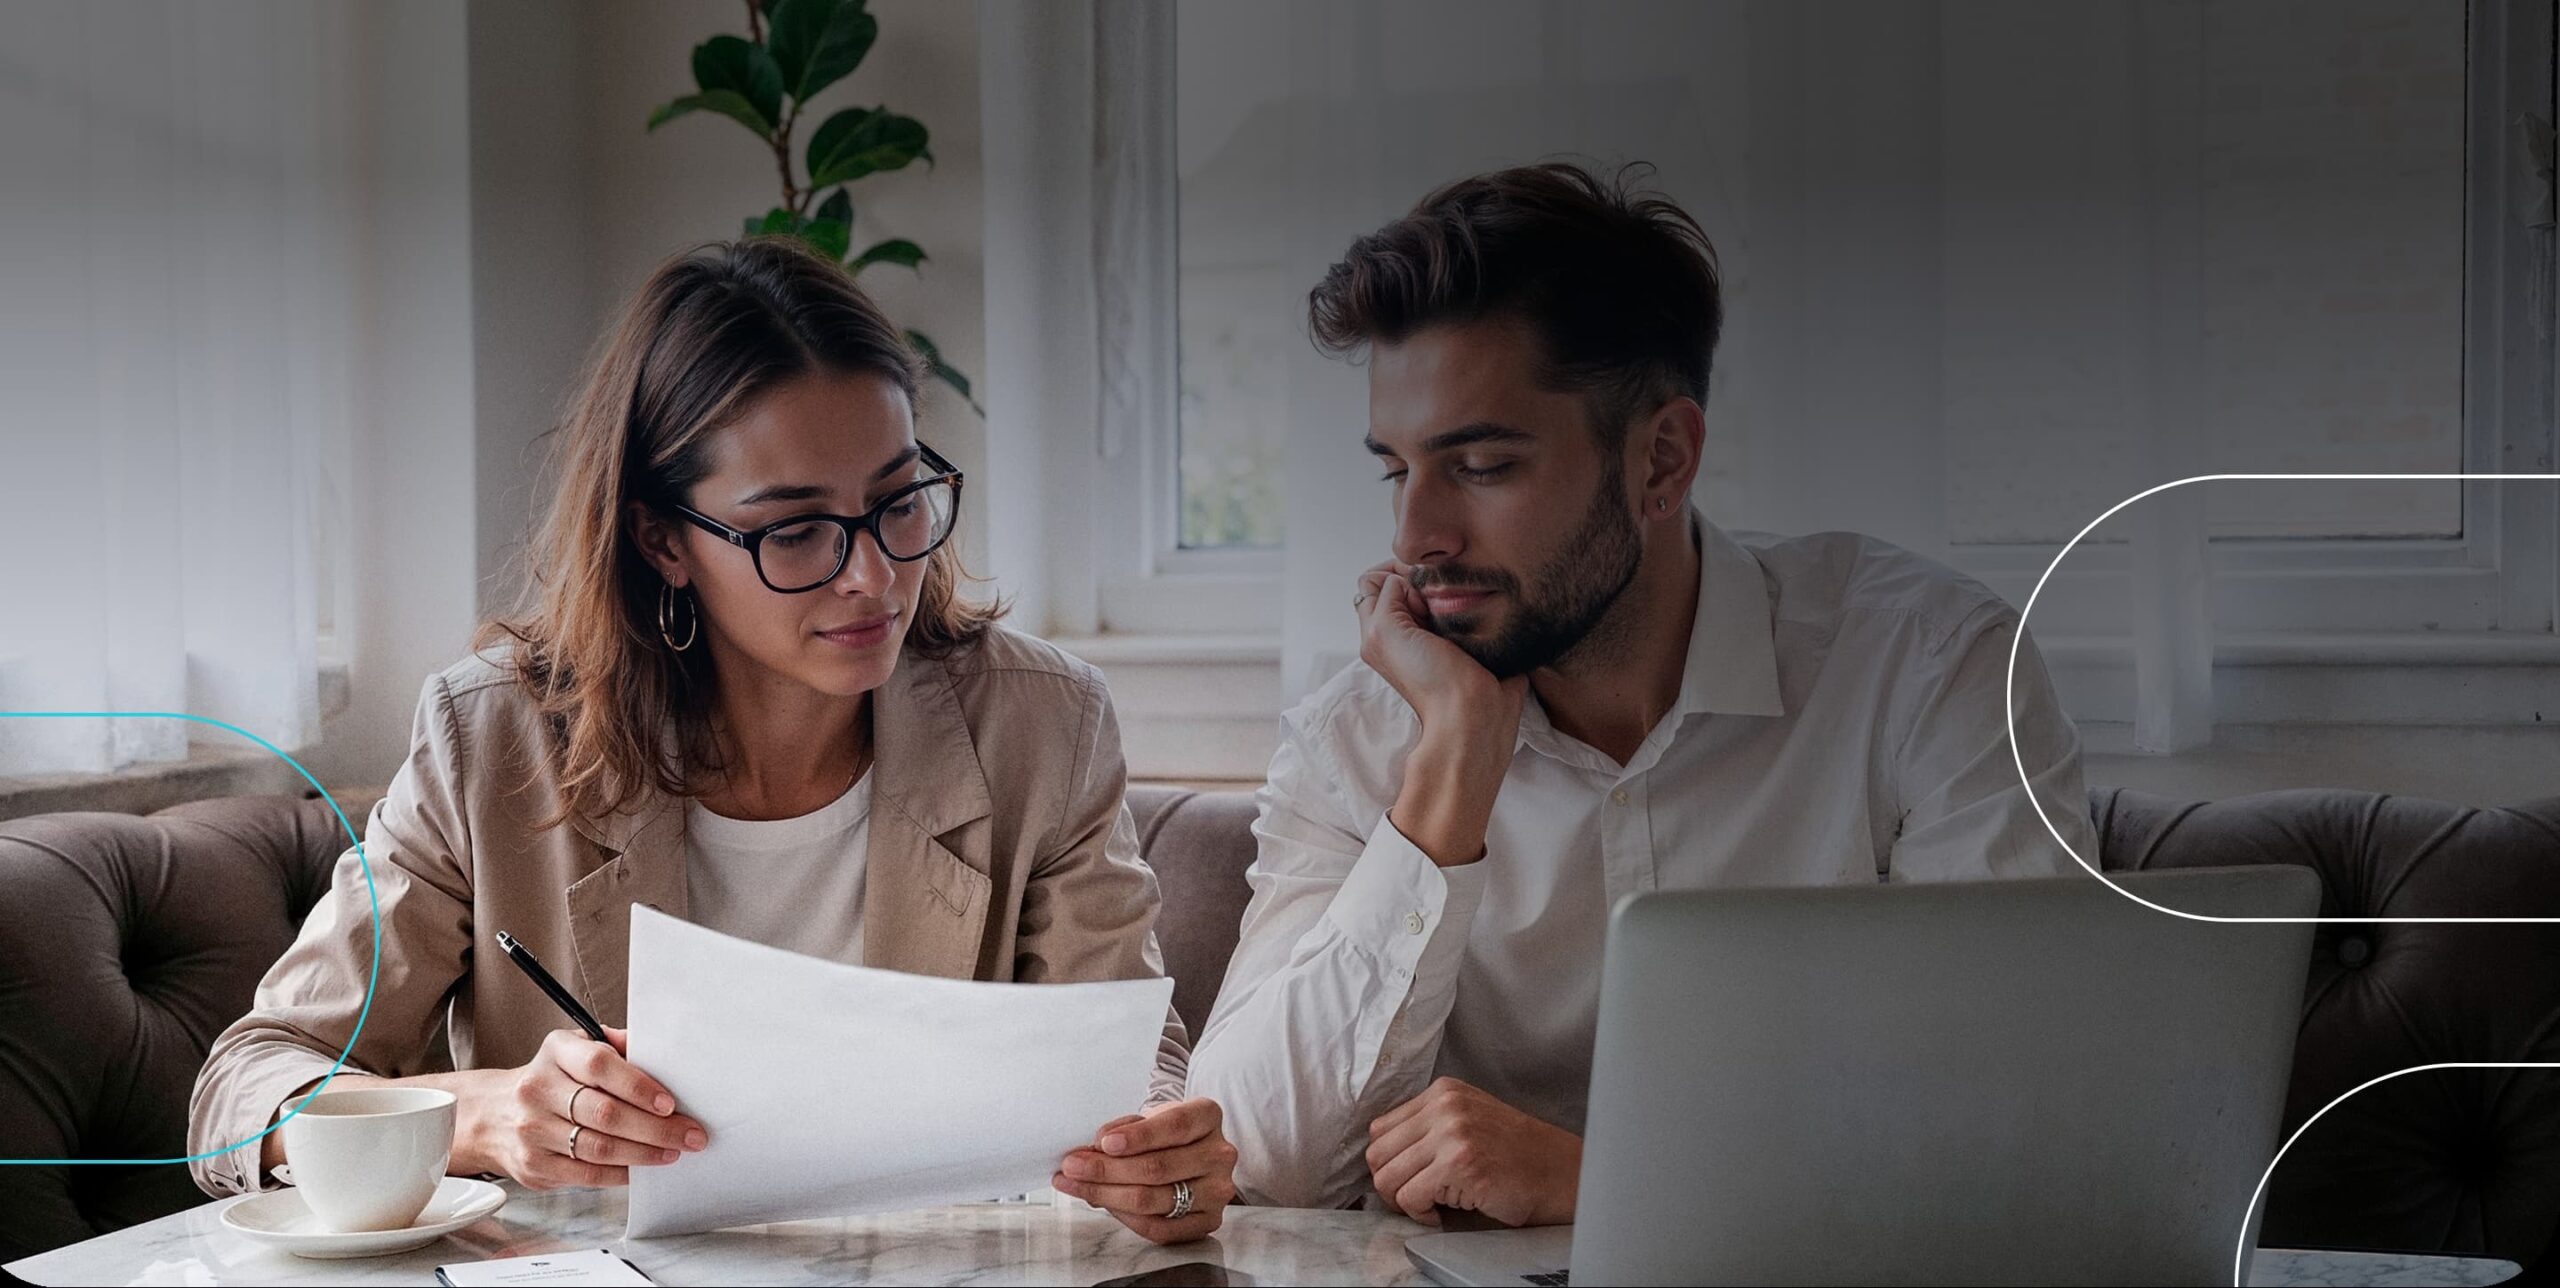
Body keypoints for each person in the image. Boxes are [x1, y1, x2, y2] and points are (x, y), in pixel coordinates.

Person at [187, 239, 1237, 1244]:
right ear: (660, 539)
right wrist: (483, 1113)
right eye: (794, 529)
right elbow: (245, 1086)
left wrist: (1161, 1152)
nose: (872, 575)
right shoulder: (492, 740)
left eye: (898, 501)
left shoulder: (1038, 724)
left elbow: (1130, 1053)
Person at [1185, 162, 2096, 1225]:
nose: (1414, 537)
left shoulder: (1929, 671)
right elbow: (1258, 1153)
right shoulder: (1365, 730)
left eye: (1478, 465)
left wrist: (1603, 1176)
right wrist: (1450, 774)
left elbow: (2029, 1124)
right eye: (1397, 468)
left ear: (1660, 460)